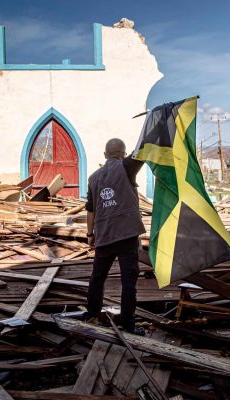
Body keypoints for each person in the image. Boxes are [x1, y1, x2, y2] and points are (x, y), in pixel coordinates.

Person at [84, 138, 146, 335]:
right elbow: (142, 152)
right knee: (129, 282)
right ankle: (128, 323)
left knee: (97, 278)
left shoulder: (93, 178)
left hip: (104, 236)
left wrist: (90, 234)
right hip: (127, 236)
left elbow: (90, 210)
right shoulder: (127, 167)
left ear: (104, 155)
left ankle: (92, 313)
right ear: (123, 154)